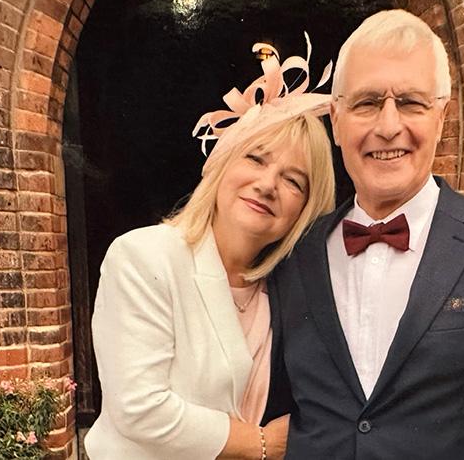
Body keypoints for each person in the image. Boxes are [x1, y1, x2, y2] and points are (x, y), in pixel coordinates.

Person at [267, 9, 464, 458]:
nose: (388, 126)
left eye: (410, 102)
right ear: (336, 119)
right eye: (367, 102)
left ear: (441, 117)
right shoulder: (293, 253)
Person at [84, 37, 336, 460]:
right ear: (222, 164)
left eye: (294, 180)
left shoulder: (286, 291)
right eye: (256, 159)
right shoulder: (145, 257)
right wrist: (261, 445)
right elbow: (139, 408)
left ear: (305, 210)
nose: (268, 184)